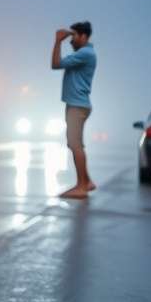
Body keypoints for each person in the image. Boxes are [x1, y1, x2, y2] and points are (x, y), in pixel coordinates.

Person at [51, 21, 97, 199]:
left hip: (78, 106)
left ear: (83, 36)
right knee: (75, 144)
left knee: (75, 145)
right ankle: (87, 181)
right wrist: (66, 38)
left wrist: (58, 41)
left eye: (73, 36)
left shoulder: (85, 53)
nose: (70, 41)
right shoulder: (85, 53)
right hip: (77, 105)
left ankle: (81, 187)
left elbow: (55, 64)